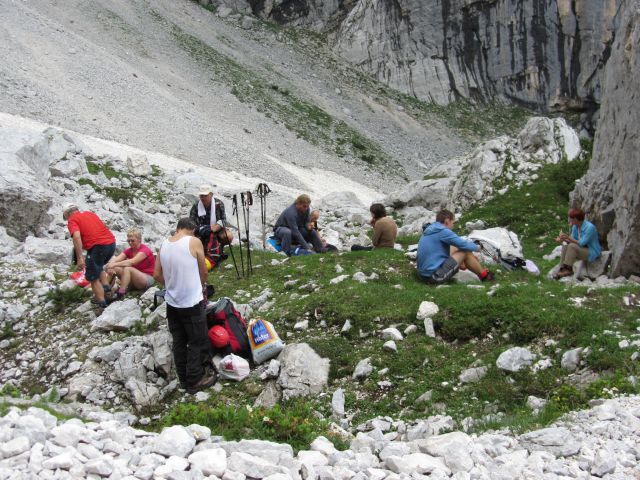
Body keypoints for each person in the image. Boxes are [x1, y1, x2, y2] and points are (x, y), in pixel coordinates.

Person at [153, 217, 216, 394]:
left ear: (178, 228)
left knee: (179, 341)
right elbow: (203, 271)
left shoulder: (164, 244)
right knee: (197, 339)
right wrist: (200, 284)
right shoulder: (194, 241)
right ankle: (195, 378)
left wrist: (172, 284)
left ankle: (183, 378)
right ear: (192, 230)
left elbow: (156, 274)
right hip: (191, 301)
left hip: (172, 302)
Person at [417, 209, 494, 283]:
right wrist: (478, 247)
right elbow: (463, 245)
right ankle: (484, 276)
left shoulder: (432, 228)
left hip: (422, 275)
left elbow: (456, 244)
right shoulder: (443, 231)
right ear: (447, 221)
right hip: (434, 276)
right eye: (453, 223)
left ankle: (463, 265)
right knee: (465, 251)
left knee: (454, 246)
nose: (453, 226)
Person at [63, 204, 116, 308]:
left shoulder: (72, 220)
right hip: (111, 243)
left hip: (98, 247)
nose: (66, 220)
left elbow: (76, 237)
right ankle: (107, 289)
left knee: (92, 277)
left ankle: (102, 304)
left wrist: (79, 258)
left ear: (67, 214)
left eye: (65, 217)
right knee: (98, 265)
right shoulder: (90, 213)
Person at [189, 185, 233, 268]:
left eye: (205, 195)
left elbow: (224, 220)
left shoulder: (219, 204)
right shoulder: (195, 206)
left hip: (216, 229)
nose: (203, 198)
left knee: (229, 236)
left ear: (211, 195)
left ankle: (219, 249)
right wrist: (198, 231)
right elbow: (191, 223)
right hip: (201, 231)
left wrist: (217, 226)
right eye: (201, 196)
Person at [105, 228, 155, 300]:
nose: (130, 243)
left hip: (147, 278)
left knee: (128, 268)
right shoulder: (129, 250)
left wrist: (114, 264)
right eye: (128, 241)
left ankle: (121, 293)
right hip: (134, 277)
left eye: (132, 241)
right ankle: (106, 289)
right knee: (114, 268)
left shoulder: (144, 250)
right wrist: (111, 266)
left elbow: (132, 262)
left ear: (139, 240)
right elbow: (116, 259)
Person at [554, 207, 602, 279]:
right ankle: (561, 267)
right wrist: (563, 239)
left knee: (572, 246)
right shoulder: (575, 226)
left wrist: (568, 237)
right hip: (581, 249)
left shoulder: (590, 228)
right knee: (565, 245)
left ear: (576, 219)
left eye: (571, 218)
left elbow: (582, 243)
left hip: (592, 251)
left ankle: (568, 269)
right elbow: (572, 240)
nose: (570, 220)